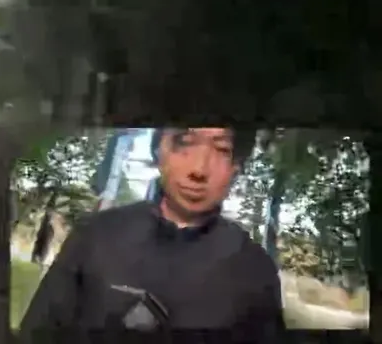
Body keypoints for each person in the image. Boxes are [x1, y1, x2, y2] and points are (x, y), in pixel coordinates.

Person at [19, 127, 285, 336]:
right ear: (158, 151)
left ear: (236, 166)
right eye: (184, 143)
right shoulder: (96, 235)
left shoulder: (255, 271)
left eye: (221, 149)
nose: (198, 169)